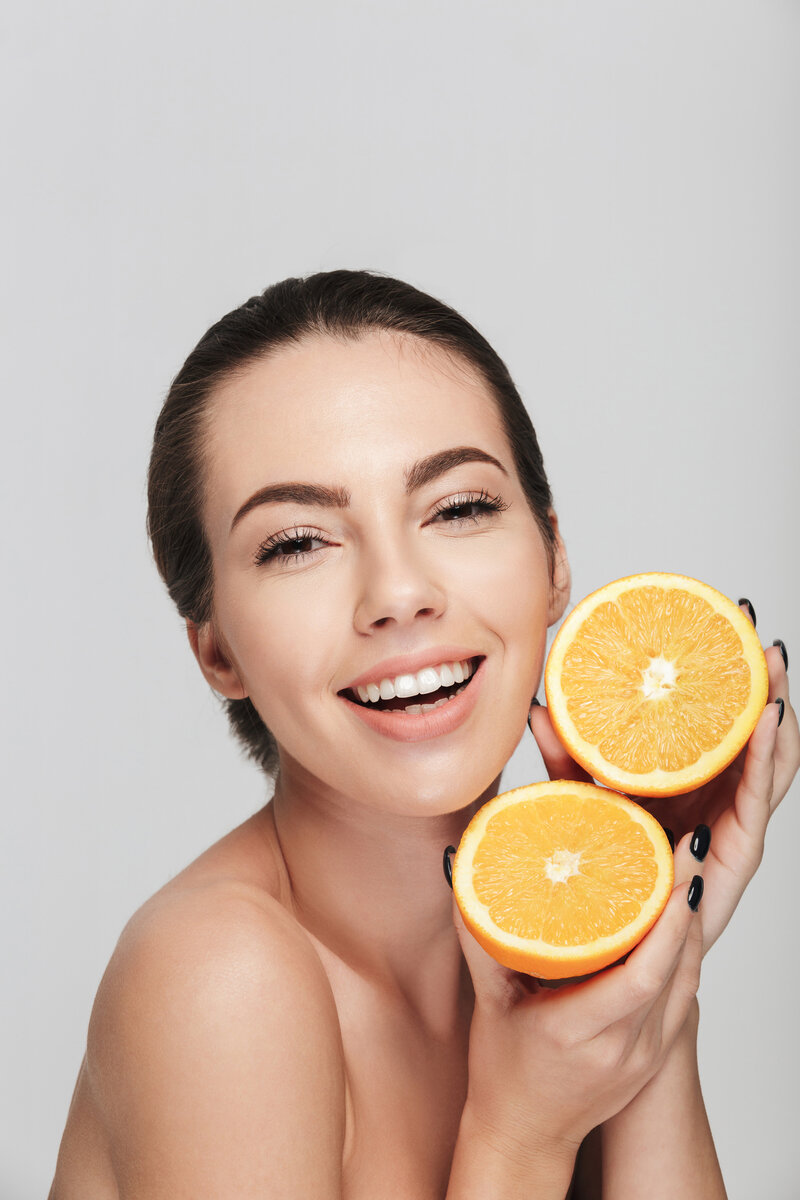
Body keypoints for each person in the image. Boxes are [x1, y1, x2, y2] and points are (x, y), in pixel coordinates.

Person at [49, 270, 798, 1198]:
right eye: (298, 542)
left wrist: (651, 961)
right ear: (217, 650)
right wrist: (518, 1135)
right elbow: (520, 1138)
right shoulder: (217, 978)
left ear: (554, 561)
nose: (399, 593)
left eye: (458, 508)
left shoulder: (544, 953)